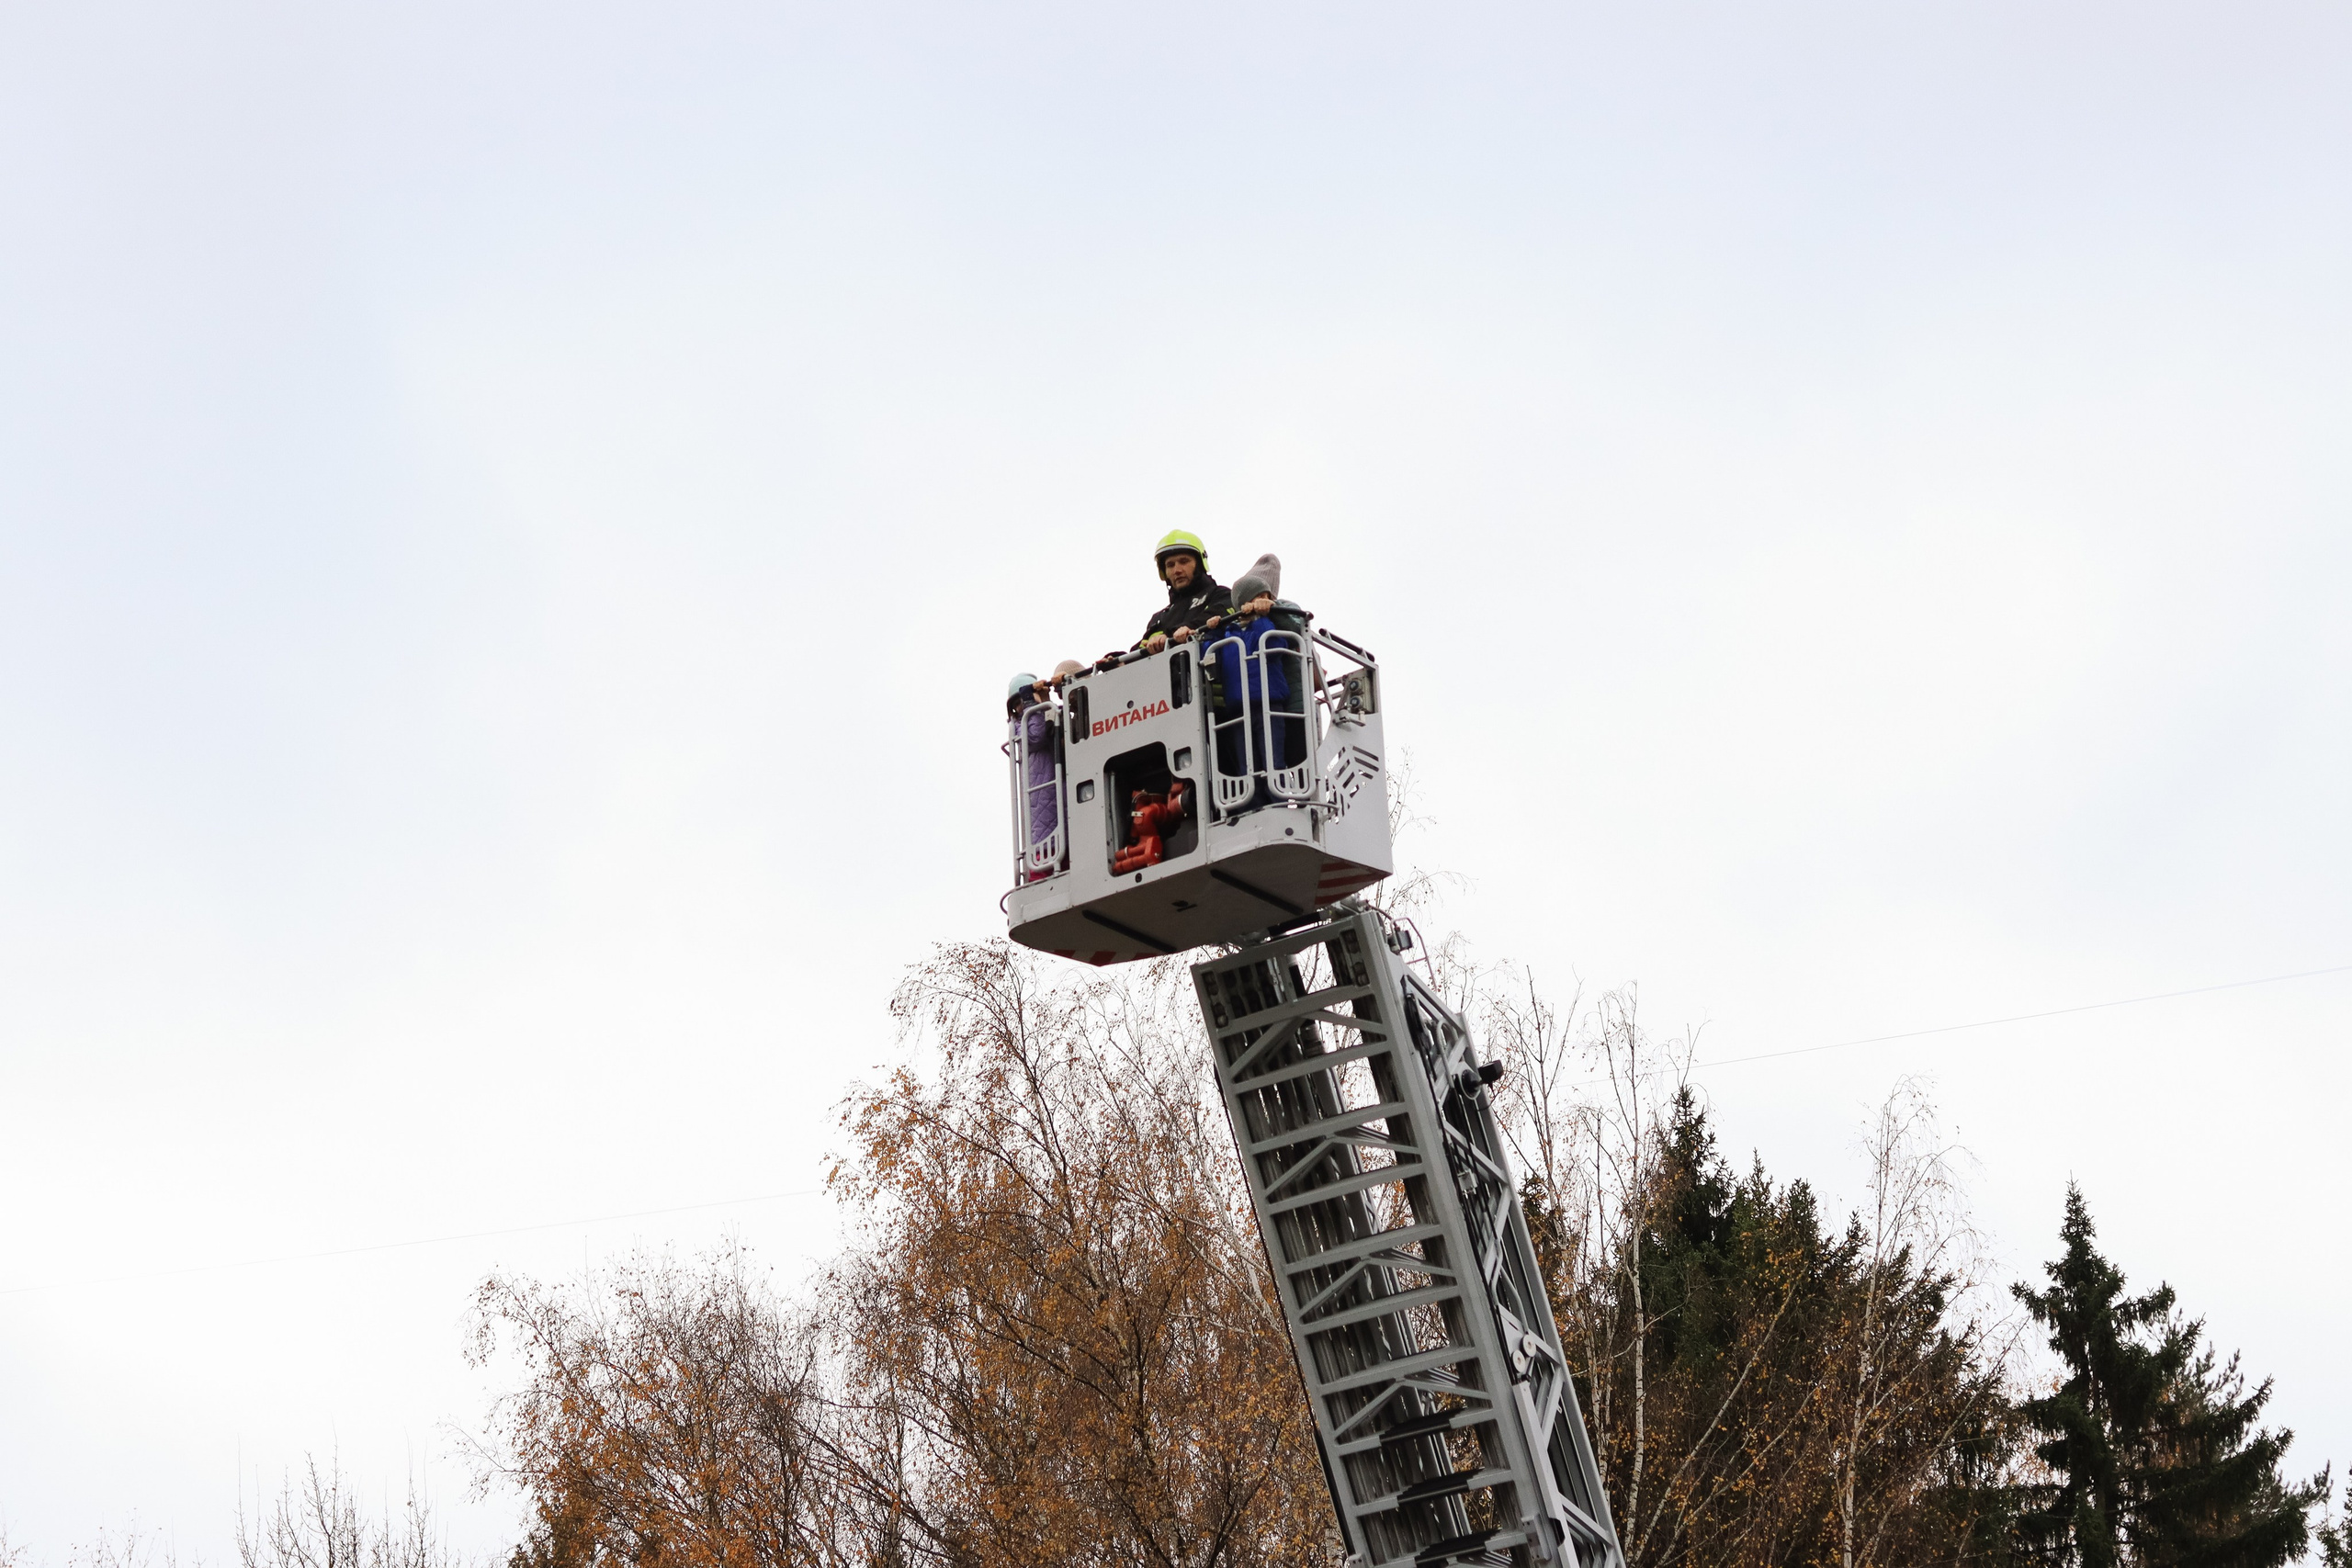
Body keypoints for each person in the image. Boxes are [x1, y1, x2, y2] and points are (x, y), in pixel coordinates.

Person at [1208, 554, 1309, 784]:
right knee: (1251, 765)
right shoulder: (1235, 631)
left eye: (1267, 594)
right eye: (1257, 596)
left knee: (1293, 759)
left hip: (1292, 706)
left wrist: (1269, 612)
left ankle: (1292, 800)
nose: (1262, 600)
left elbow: (1293, 631)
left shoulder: (1283, 609)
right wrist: (1213, 631)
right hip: (1246, 706)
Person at [1108, 530, 1231, 662]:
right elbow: (1143, 649)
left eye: (1184, 561)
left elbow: (1220, 615)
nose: (1177, 570)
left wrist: (1175, 633)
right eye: (1170, 565)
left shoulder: (1220, 594)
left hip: (1209, 677)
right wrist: (1118, 661)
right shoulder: (1160, 617)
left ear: (1200, 563)